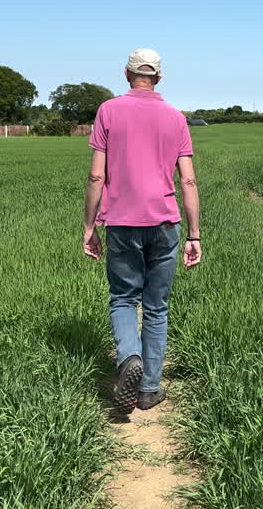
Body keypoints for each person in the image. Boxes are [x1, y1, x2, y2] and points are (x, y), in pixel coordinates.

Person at [83, 48, 202, 414]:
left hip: (121, 221)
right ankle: (149, 389)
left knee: (122, 298)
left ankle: (128, 358)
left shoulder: (109, 110)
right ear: (160, 78)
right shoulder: (175, 118)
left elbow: (96, 175)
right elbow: (188, 180)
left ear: (126, 74)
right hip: (165, 222)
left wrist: (90, 225)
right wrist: (195, 234)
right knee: (156, 307)